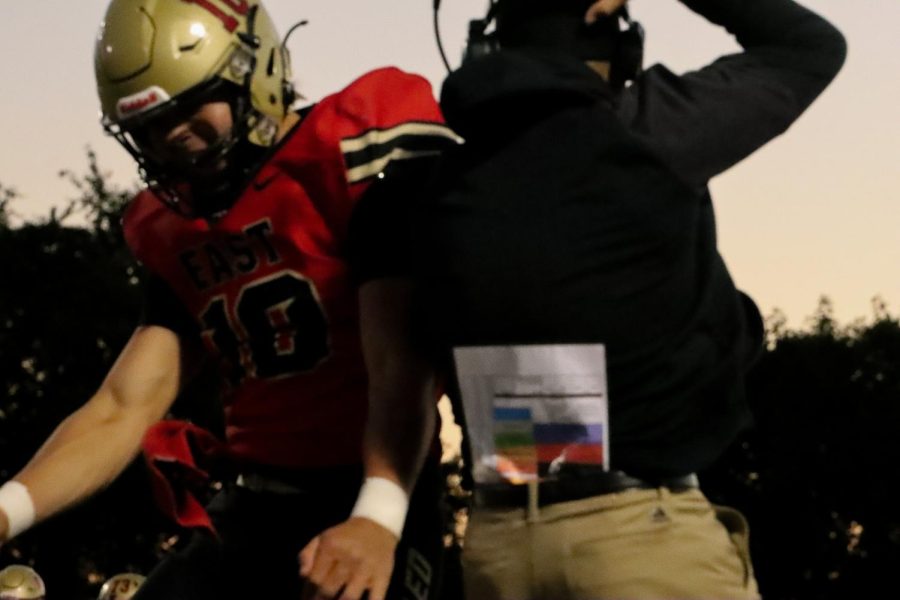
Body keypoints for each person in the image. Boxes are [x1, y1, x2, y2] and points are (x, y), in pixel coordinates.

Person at [0, 1, 460, 598]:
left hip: (378, 489)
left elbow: (402, 364)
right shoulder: (175, 228)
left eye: (191, 108)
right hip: (258, 502)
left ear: (255, 71)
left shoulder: (343, 152)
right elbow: (121, 407)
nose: (174, 138)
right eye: (151, 126)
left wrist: (378, 515)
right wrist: (7, 508)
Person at [406, 0, 847, 598]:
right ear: (618, 46)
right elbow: (810, 46)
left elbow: (547, 391)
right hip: (641, 538)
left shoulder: (435, 184)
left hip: (500, 550)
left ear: (485, 50)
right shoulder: (646, 129)